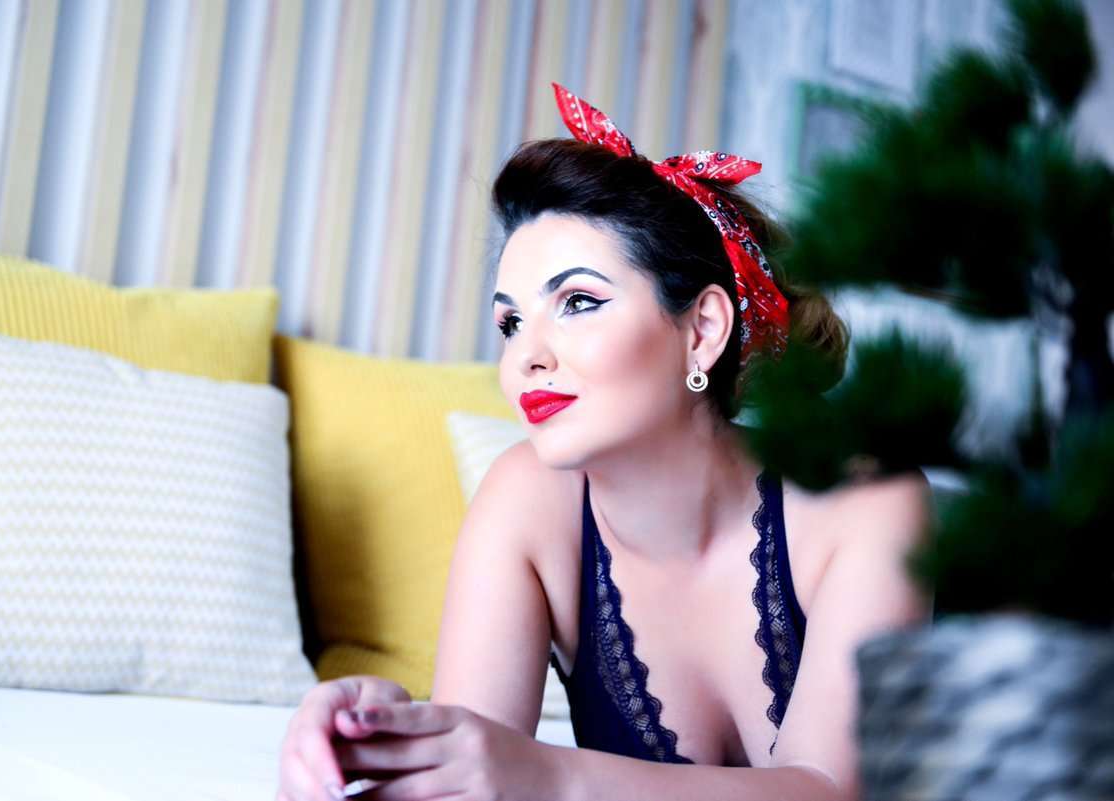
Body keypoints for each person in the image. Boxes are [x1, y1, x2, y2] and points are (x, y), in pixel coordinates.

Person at [276, 83, 931, 801]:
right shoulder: (525, 500)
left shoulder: (867, 500)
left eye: (578, 302)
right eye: (510, 323)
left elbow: (833, 791)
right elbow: (475, 768)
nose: (525, 357)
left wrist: (549, 774)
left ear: (702, 331)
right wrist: (381, 732)